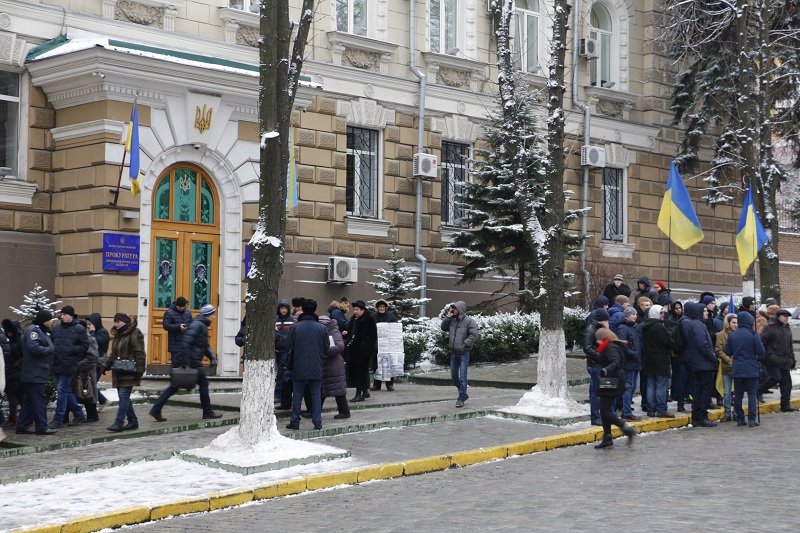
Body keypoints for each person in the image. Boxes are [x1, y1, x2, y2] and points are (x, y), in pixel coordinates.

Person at [149, 304, 223, 422]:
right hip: (192, 362)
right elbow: (186, 344)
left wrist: (212, 357)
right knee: (203, 384)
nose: (214, 316)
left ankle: (156, 409)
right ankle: (208, 412)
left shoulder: (201, 325)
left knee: (174, 386)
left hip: (191, 360)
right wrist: (186, 363)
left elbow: (204, 345)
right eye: (213, 314)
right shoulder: (198, 325)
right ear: (207, 315)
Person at [285, 299, 328, 430]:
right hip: (316, 365)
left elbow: (288, 345)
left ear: (302, 310)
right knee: (315, 393)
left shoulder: (296, 327)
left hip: (298, 364)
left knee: (297, 393)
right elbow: (326, 347)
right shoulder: (322, 328)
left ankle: (295, 421)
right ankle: (317, 421)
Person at [593, 328, 637, 449]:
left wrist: (606, 369)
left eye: (598, 340)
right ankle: (607, 438)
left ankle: (626, 428)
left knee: (605, 410)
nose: (597, 342)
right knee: (604, 410)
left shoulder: (610, 347)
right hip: (610, 380)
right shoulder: (608, 346)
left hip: (613, 380)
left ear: (604, 339)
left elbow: (615, 362)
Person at [16, 310, 57, 435]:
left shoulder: (41, 331)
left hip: (37, 372)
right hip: (35, 372)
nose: (52, 322)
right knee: (39, 401)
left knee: (29, 400)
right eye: (50, 320)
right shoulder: (34, 331)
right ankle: (42, 427)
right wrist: (49, 349)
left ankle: (22, 426)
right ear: (45, 320)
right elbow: (33, 347)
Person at [103, 313, 146, 431]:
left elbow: (140, 352)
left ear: (125, 322)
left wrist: (140, 369)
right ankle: (133, 421)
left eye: (118, 322)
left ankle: (119, 422)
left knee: (123, 396)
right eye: (115, 322)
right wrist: (106, 366)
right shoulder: (118, 334)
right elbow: (113, 353)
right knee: (123, 397)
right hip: (119, 370)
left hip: (130, 370)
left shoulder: (134, 333)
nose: (116, 324)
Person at [680, 302, 718, 427]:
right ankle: (701, 416)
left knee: (698, 390)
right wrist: (712, 357)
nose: (707, 313)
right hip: (703, 363)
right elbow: (702, 344)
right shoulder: (698, 324)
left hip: (698, 362)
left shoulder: (694, 324)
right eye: (704, 311)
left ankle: (696, 416)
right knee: (704, 390)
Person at [724, 312, 765, 427]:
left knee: (738, 394)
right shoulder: (753, 335)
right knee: (752, 394)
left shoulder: (733, 335)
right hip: (751, 368)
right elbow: (761, 351)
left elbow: (727, 351)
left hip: (737, 369)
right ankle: (752, 419)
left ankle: (740, 418)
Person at [50, 305, 88, 427]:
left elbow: (84, 346)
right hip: (57, 364)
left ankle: (58, 419)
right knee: (65, 391)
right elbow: (51, 343)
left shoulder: (79, 329)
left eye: (65, 314)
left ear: (71, 316)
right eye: (62, 314)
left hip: (70, 365)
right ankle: (79, 414)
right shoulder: (56, 329)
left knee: (61, 390)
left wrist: (71, 349)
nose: (63, 316)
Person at [441, 301, 479, 408]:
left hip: (463, 353)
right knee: (454, 376)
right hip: (454, 353)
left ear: (460, 309)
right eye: (452, 309)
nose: (453, 310)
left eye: (455, 308)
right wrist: (448, 317)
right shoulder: (452, 320)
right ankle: (463, 393)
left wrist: (464, 344)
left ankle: (461, 398)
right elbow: (443, 327)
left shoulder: (469, 321)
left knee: (463, 377)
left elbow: (474, 335)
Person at [640, 305, 675, 417]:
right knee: (661, 385)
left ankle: (651, 409)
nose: (663, 315)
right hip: (661, 360)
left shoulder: (645, 326)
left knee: (650, 385)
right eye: (661, 313)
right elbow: (668, 342)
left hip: (649, 359)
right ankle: (661, 409)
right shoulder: (659, 327)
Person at [759, 309, 796, 412]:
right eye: (784, 316)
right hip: (772, 360)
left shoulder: (787, 328)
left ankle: (785, 405)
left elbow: (790, 346)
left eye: (787, 317)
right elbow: (762, 343)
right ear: (779, 317)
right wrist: (765, 357)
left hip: (785, 361)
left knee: (787, 383)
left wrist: (792, 359)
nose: (786, 318)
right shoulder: (770, 328)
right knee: (775, 378)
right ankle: (759, 389)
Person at [319, 312, 350, 420]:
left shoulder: (334, 331)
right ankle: (315, 411)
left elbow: (340, 346)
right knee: (321, 390)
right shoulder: (324, 331)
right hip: (325, 364)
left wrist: (325, 351)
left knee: (338, 390)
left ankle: (345, 412)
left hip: (334, 365)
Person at [347, 300, 377, 403]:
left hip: (363, 352)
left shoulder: (368, 320)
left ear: (362, 310)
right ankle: (365, 391)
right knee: (360, 373)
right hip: (354, 351)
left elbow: (372, 338)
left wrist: (366, 351)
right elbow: (351, 330)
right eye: (354, 309)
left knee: (360, 373)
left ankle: (359, 394)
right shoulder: (354, 319)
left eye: (357, 309)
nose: (355, 311)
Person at [614, 307, 641, 421]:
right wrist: (633, 354)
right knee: (628, 387)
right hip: (628, 363)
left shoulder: (632, 327)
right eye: (633, 314)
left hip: (634, 362)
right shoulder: (623, 328)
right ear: (627, 316)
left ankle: (627, 409)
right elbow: (622, 345)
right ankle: (626, 412)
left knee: (632, 387)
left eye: (635, 314)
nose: (635, 316)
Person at [584, 308, 610, 425]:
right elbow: (587, 347)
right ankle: (595, 417)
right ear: (601, 320)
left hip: (599, 364)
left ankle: (600, 415)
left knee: (598, 391)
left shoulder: (599, 329)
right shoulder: (591, 329)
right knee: (596, 392)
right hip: (595, 365)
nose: (607, 322)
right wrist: (600, 356)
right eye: (605, 320)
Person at [371, 299, 398, 392]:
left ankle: (389, 384)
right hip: (376, 344)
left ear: (385, 307)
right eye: (380, 307)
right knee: (376, 364)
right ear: (377, 308)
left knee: (388, 364)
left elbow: (396, 329)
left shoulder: (391, 316)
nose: (381, 308)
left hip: (388, 344)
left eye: (383, 306)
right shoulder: (373, 316)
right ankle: (376, 384)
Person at [714, 313, 737, 421]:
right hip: (726, 367)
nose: (735, 325)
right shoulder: (720, 335)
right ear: (728, 323)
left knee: (737, 392)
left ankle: (737, 412)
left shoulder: (739, 334)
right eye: (733, 322)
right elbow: (718, 350)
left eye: (737, 322)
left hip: (738, 367)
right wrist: (728, 359)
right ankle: (727, 413)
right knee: (727, 392)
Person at [76, 319, 100, 423]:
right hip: (78, 370)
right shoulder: (77, 339)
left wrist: (79, 365)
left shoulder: (90, 339)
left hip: (87, 371)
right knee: (79, 391)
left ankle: (92, 415)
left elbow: (93, 357)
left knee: (88, 391)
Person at [2, 319, 24, 429]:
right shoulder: (11, 340)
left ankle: (13, 418)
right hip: (12, 372)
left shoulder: (19, 340)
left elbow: (24, 356)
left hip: (16, 372)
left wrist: (16, 365)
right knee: (19, 397)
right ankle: (25, 416)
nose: (8, 332)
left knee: (14, 396)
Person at [87, 313, 110, 409]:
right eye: (88, 324)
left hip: (99, 362)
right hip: (93, 361)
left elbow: (96, 342)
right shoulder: (95, 331)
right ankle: (102, 400)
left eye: (90, 323)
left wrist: (92, 332)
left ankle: (101, 401)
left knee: (92, 383)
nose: (88, 326)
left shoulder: (103, 332)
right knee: (91, 383)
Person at [162, 296, 191, 367]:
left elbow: (191, 324)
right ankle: (174, 378)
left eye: (183, 306)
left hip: (186, 343)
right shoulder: (169, 312)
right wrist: (179, 327)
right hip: (175, 344)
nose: (181, 308)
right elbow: (166, 325)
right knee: (175, 365)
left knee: (186, 366)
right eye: (179, 306)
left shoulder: (188, 313)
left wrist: (188, 327)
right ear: (176, 305)